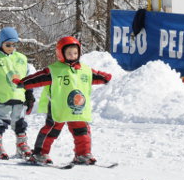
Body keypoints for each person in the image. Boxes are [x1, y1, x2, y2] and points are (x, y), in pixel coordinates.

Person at [16, 36, 112, 165]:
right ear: (61, 53)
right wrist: (24, 82)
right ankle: (39, 154)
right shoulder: (54, 70)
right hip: (58, 106)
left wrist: (104, 77)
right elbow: (38, 77)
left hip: (77, 107)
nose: (72, 56)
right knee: (51, 130)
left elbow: (95, 76)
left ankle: (83, 154)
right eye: (69, 53)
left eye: (75, 53)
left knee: (82, 130)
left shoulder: (85, 70)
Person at [0, 26, 35, 159]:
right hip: (0, 95)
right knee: (0, 121)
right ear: (0, 43)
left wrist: (29, 94)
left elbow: (27, 77)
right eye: (7, 44)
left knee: (20, 122)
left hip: (18, 96)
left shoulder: (21, 58)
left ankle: (22, 145)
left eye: (13, 44)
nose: (11, 47)